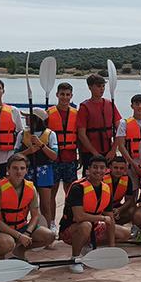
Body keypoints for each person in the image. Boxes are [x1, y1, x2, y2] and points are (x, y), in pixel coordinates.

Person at [58, 156, 131, 273]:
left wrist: (112, 249)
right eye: (95, 167)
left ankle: (89, 245)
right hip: (71, 229)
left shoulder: (106, 188)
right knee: (85, 225)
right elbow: (79, 217)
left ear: (106, 170)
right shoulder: (78, 188)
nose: (98, 171)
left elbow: (110, 218)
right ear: (88, 170)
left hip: (94, 227)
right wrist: (102, 218)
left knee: (125, 233)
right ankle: (75, 258)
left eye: (102, 168)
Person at [0, 154, 55, 260]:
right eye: (15, 168)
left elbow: (35, 216)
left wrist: (27, 232)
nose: (19, 172)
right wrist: (19, 236)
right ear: (8, 170)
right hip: (0, 229)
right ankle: (0, 256)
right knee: (6, 243)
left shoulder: (30, 188)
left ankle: (20, 250)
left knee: (50, 236)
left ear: (26, 170)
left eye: (22, 168)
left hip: (21, 227)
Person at [15, 108, 58, 236]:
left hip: (44, 171)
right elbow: (14, 156)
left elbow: (54, 156)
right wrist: (28, 151)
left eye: (29, 116)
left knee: (45, 204)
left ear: (37, 119)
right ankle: (23, 229)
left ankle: (49, 229)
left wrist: (41, 145)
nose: (26, 119)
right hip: (28, 172)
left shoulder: (50, 134)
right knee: (25, 203)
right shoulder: (22, 134)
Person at [47, 82, 79, 235]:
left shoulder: (76, 114)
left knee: (71, 193)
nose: (65, 97)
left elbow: (79, 135)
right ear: (57, 95)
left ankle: (68, 220)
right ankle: (52, 223)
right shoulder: (49, 113)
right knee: (51, 193)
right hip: (53, 160)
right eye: (62, 94)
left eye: (68, 95)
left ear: (71, 96)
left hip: (70, 158)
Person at [76, 74, 121, 169]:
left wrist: (113, 151)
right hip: (90, 153)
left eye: (103, 86)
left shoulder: (110, 104)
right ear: (90, 87)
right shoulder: (84, 107)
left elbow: (120, 129)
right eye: (98, 86)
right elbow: (81, 135)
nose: (102, 89)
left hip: (108, 152)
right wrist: (95, 153)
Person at [104, 157, 138, 236]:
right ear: (110, 168)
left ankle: (115, 226)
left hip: (116, 208)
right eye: (116, 168)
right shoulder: (102, 178)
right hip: (102, 209)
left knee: (132, 210)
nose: (118, 170)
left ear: (125, 169)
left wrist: (119, 210)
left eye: (121, 168)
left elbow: (129, 200)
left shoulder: (127, 179)